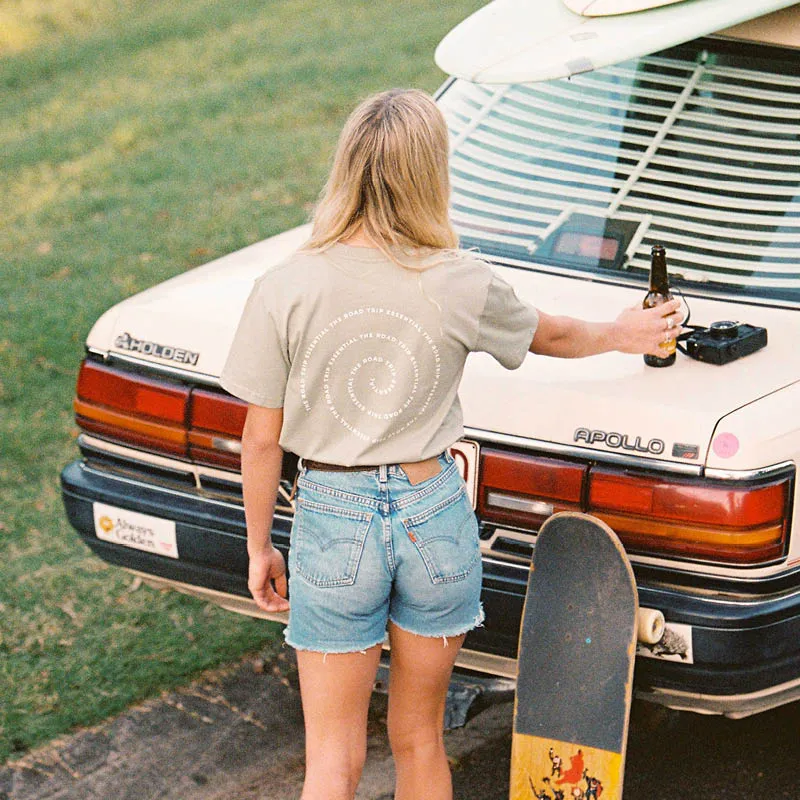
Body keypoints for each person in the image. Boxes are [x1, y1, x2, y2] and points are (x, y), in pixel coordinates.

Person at [220, 88, 682, 800]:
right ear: (431, 173)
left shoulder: (288, 284)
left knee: (332, 759)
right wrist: (627, 332)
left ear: (346, 167)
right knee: (419, 736)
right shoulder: (460, 279)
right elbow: (552, 334)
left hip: (333, 516)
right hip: (433, 512)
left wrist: (259, 546)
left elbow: (259, 439)